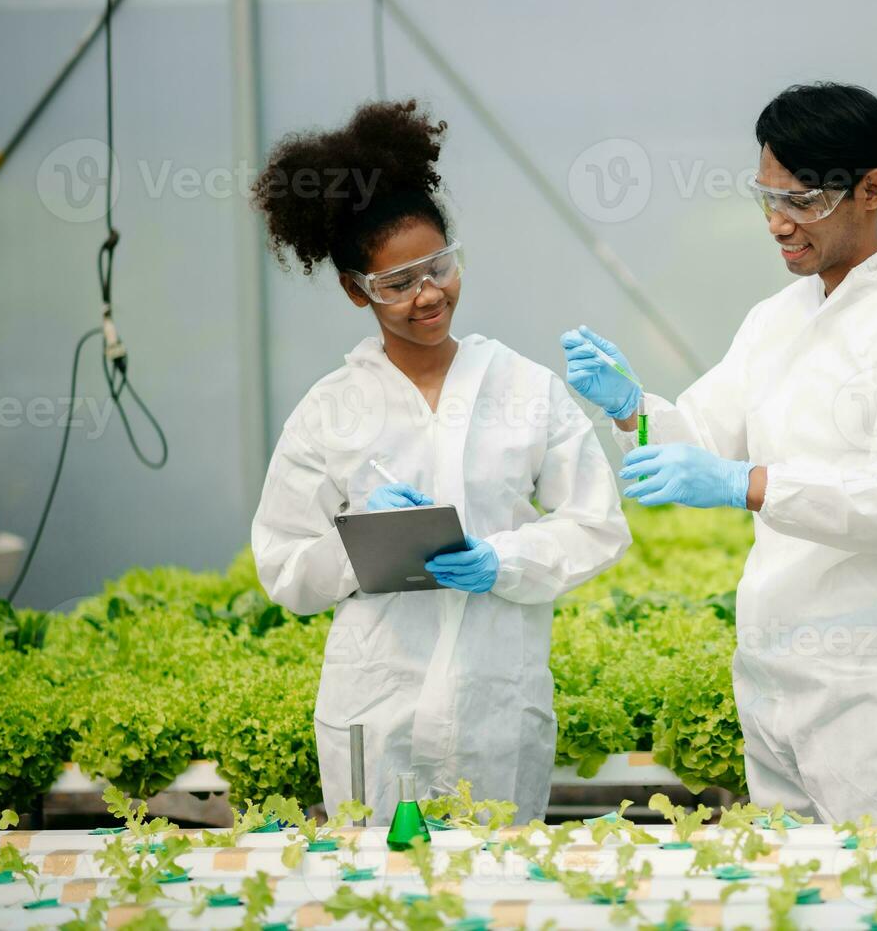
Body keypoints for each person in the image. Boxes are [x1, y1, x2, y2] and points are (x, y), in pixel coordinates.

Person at [563, 83, 877, 823]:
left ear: (872, 190)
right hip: (774, 675)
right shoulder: (779, 318)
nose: (777, 224)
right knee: (795, 898)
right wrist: (632, 409)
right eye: (765, 198)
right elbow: (701, 442)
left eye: (801, 203)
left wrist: (747, 483)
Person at [250, 99, 630, 824]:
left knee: (498, 892)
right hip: (375, 703)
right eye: (397, 285)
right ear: (354, 290)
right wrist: (356, 545)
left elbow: (597, 524)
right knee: (378, 895)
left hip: (498, 699)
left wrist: (505, 559)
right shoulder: (330, 410)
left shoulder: (522, 387)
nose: (428, 295)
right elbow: (284, 566)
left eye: (439, 267)